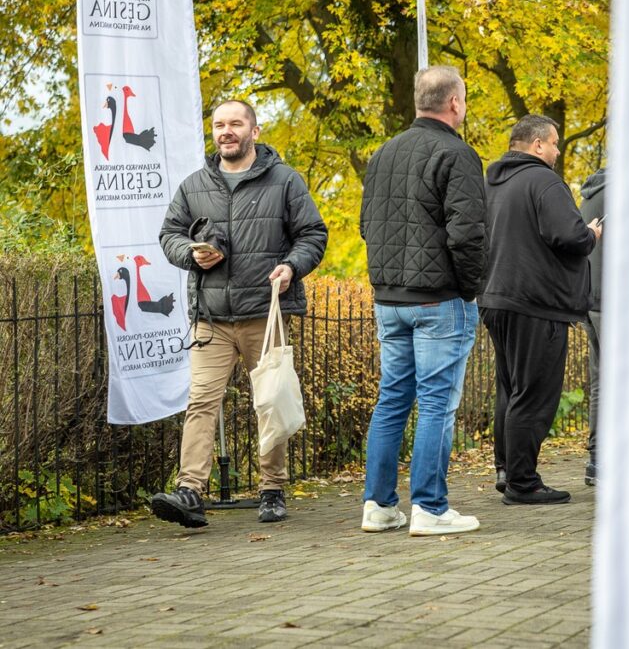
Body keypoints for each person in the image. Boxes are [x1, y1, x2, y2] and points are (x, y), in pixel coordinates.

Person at [151, 99, 328, 528]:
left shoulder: (285, 181)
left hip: (262, 315)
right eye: (218, 125)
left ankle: (272, 489)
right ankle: (190, 491)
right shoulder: (195, 185)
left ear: (254, 130)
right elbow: (168, 234)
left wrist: (291, 266)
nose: (226, 131)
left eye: (235, 124)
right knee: (200, 402)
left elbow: (312, 234)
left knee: (269, 401)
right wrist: (193, 255)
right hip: (210, 318)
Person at [359, 65, 488, 536]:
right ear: (454, 102)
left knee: (392, 399)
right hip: (439, 300)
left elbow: (367, 227)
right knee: (436, 404)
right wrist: (470, 288)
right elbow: (468, 234)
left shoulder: (383, 154)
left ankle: (378, 506)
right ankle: (430, 509)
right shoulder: (458, 154)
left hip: (389, 298)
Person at [480, 115, 602, 505]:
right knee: (535, 394)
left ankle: (506, 469)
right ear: (536, 145)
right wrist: (592, 235)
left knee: (511, 388)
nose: (557, 151)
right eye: (554, 143)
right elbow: (569, 235)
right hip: (536, 303)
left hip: (496, 298)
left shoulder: (492, 182)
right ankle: (523, 482)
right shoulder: (545, 182)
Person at [579, 168, 605, 486]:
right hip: (617, 302)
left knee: (599, 381)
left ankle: (597, 460)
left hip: (590, 298)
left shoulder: (589, 194)